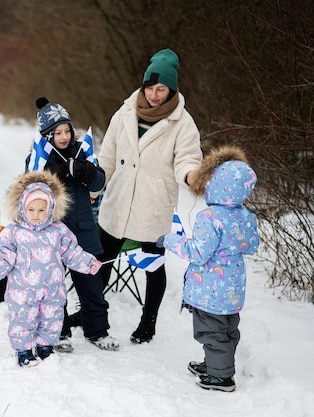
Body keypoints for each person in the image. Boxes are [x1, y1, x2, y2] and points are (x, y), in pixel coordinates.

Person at [96, 48, 203, 344]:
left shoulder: (182, 123)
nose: (154, 94)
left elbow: (188, 158)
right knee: (102, 261)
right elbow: (107, 155)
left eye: (161, 88)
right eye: (150, 87)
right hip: (117, 203)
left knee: (153, 267)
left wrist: (191, 175)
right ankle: (92, 312)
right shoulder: (125, 111)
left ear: (171, 89)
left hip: (153, 207)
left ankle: (148, 323)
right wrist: (95, 186)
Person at [157, 145, 259, 392]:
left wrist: (170, 240)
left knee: (211, 332)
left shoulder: (210, 217)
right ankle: (215, 364)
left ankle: (221, 377)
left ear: (217, 185)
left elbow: (198, 252)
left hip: (210, 289)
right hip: (233, 288)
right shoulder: (246, 216)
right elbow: (252, 245)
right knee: (227, 330)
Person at [0, 170, 103, 367]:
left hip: (52, 289)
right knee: (22, 320)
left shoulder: (58, 231)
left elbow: (72, 252)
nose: (36, 215)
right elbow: (2, 258)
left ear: (50, 209)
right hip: (22, 292)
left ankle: (45, 346)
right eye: (31, 210)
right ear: (22, 209)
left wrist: (88, 263)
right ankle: (23, 350)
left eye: (41, 210)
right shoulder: (13, 233)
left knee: (51, 318)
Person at [25, 97, 119, 353]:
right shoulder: (38, 157)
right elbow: (29, 187)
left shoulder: (83, 151)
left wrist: (86, 171)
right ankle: (60, 332)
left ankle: (97, 331)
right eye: (57, 133)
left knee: (91, 285)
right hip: (52, 233)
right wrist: (49, 174)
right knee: (54, 288)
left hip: (84, 231)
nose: (64, 137)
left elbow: (100, 183)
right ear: (47, 135)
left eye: (67, 130)